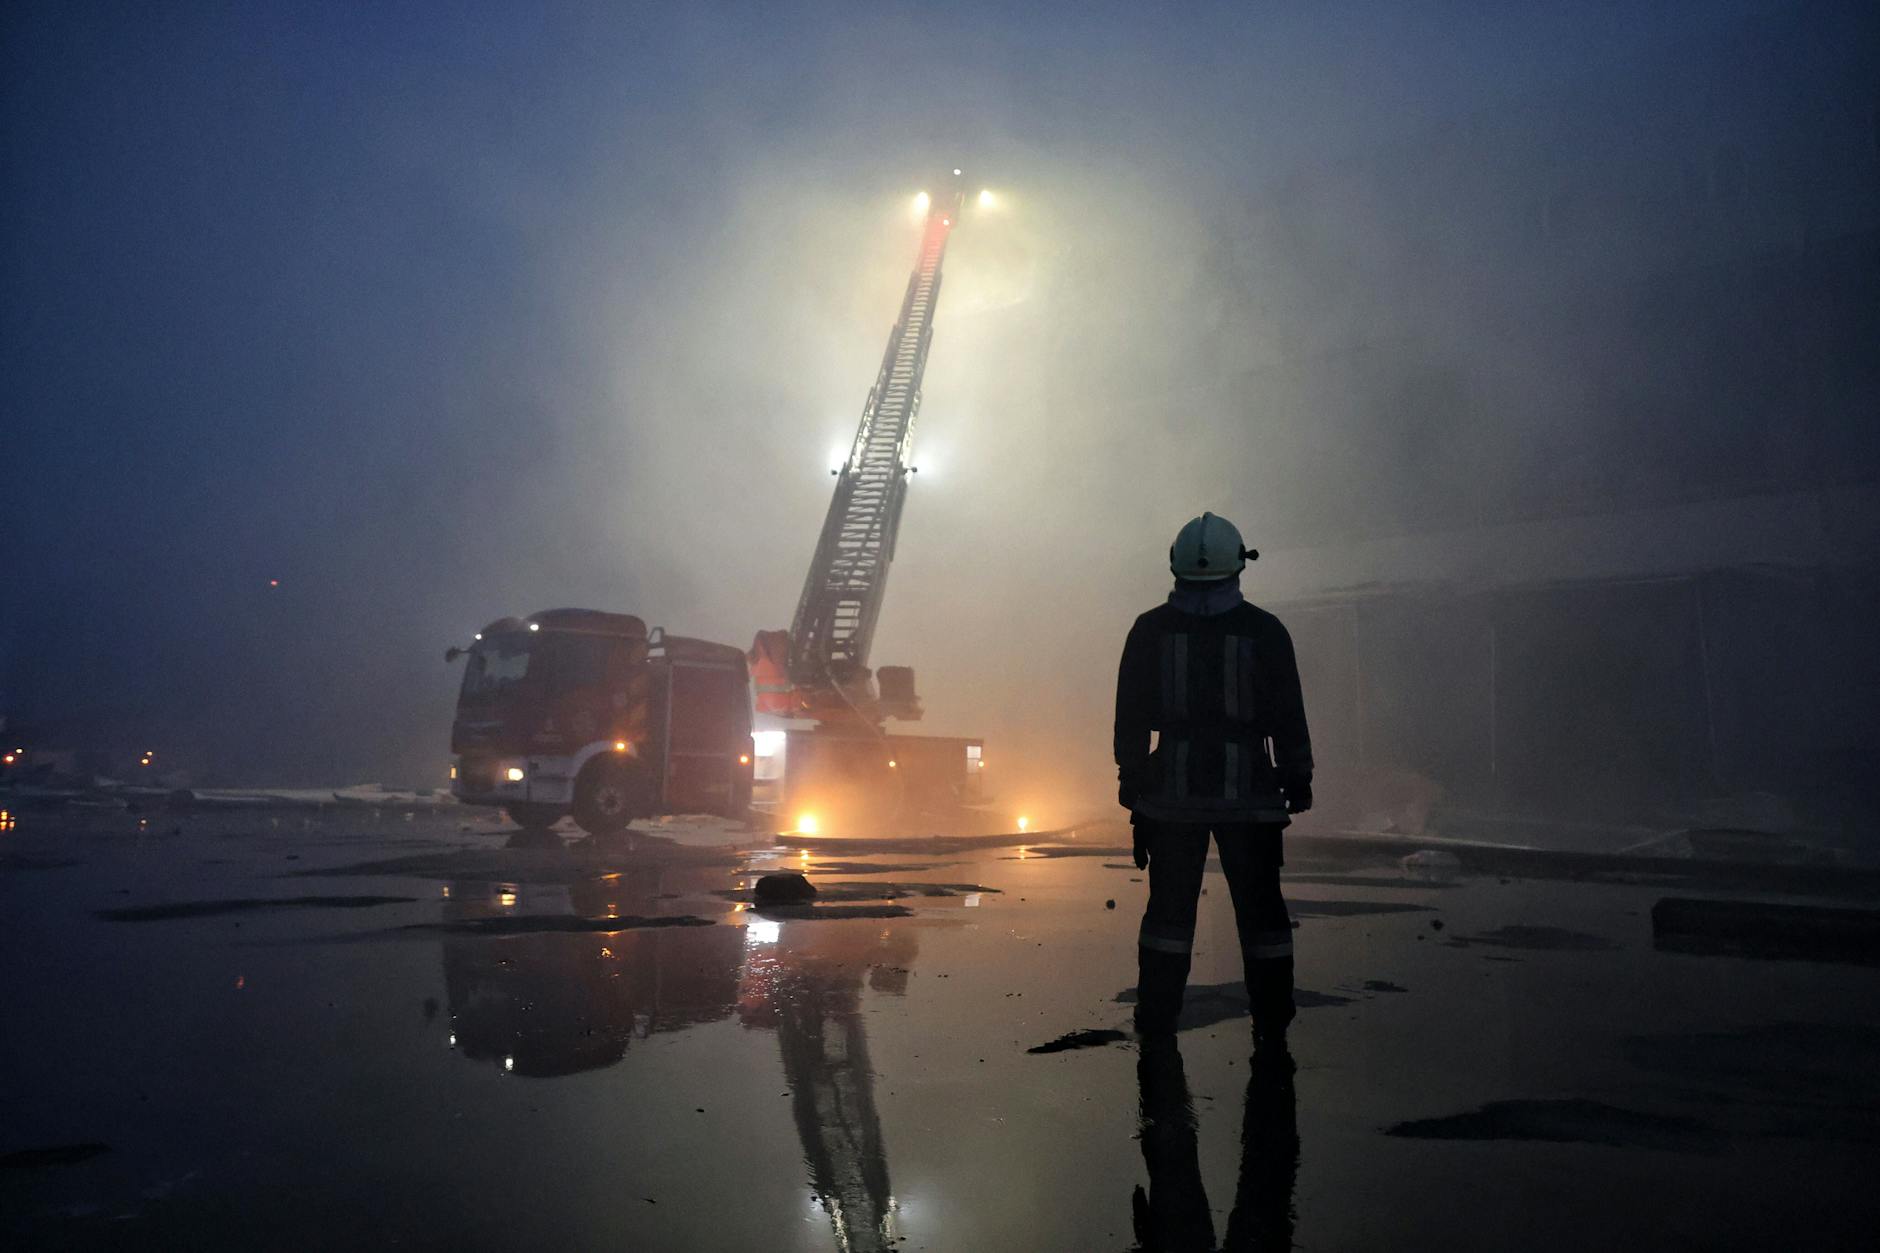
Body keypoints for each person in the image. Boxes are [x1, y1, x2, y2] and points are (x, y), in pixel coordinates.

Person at [1114, 512, 1314, 1057]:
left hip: (1171, 798)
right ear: (1239, 565)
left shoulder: (1149, 630)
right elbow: (1289, 713)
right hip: (1248, 796)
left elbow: (1130, 714)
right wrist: (1298, 775)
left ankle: (1157, 1020)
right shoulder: (1265, 631)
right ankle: (1273, 1023)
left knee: (1169, 916)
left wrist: (1130, 777)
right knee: (1262, 914)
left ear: (1175, 566)